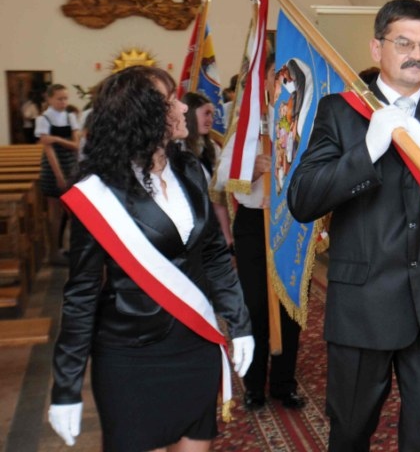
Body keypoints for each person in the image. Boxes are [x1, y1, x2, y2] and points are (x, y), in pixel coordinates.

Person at [287, 0, 420, 451]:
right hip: (363, 303)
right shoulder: (339, 111)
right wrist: (367, 150)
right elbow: (303, 198)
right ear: (376, 47)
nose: (416, 55)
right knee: (350, 430)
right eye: (404, 43)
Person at [48, 66, 254, 451]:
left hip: (196, 346)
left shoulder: (189, 169)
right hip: (132, 356)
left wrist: (239, 323)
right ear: (142, 115)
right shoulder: (99, 194)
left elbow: (213, 254)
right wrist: (66, 387)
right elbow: (81, 296)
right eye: (170, 100)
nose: (182, 106)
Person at [214, 56, 307, 412]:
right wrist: (251, 171)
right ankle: (254, 384)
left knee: (290, 305)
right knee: (255, 305)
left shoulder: (300, 123)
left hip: (291, 222)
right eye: (275, 76)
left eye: (286, 76)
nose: (281, 82)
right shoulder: (246, 126)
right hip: (254, 223)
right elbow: (222, 179)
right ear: (263, 81)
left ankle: (284, 383)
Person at [182, 91, 234, 249]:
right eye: (206, 114)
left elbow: (217, 196)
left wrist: (227, 237)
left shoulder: (212, 147)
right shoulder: (179, 149)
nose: (210, 120)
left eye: (212, 114)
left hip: (213, 224)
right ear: (191, 115)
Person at [35, 84, 80, 264]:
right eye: (59, 99)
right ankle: (54, 252)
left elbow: (76, 145)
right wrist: (59, 176)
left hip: (70, 165)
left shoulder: (70, 116)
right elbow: (49, 150)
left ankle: (71, 248)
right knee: (55, 214)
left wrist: (55, 138)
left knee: (72, 212)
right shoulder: (43, 118)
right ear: (49, 99)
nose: (63, 102)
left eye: (65, 98)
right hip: (52, 169)